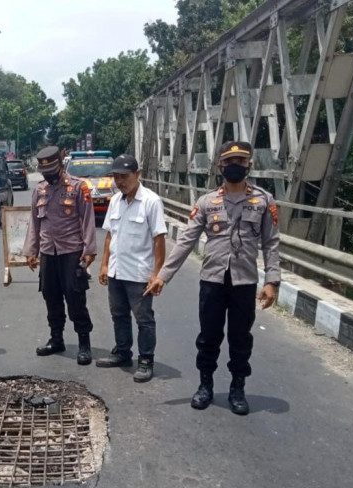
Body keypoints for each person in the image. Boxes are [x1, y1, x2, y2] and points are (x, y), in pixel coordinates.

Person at [145, 141, 281, 415]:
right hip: (212, 282)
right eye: (230, 162)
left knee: (240, 338)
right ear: (220, 166)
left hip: (244, 282)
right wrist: (163, 276)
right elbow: (185, 242)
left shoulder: (264, 201)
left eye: (241, 162)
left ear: (249, 165)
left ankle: (237, 387)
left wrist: (271, 282)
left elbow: (271, 243)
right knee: (208, 336)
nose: (235, 166)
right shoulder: (207, 202)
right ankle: (205, 384)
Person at [22, 145, 97, 365]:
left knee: (75, 297)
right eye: (44, 170)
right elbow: (34, 222)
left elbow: (87, 220)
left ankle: (84, 343)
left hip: (71, 251)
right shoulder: (40, 190)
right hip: (48, 252)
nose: (48, 174)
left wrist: (89, 250)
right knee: (50, 295)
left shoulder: (78, 188)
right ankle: (57, 339)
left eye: (52, 169)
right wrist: (31, 251)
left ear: (61, 165)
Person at [96, 154, 167, 383]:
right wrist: (105, 264)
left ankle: (146, 360)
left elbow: (159, 239)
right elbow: (110, 235)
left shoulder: (151, 201)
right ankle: (123, 352)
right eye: (116, 176)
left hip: (138, 273)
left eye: (124, 176)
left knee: (143, 319)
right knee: (119, 315)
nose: (120, 181)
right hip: (117, 271)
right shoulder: (115, 200)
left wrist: (157, 274)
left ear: (138, 174)